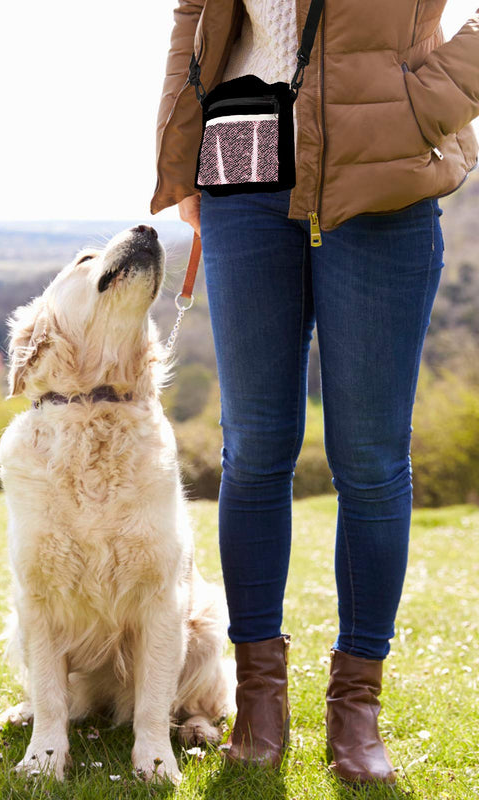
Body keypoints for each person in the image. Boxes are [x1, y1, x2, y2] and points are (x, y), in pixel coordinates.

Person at [153, 0, 478, 786]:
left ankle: (355, 706)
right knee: (255, 447)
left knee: (368, 458)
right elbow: (195, 14)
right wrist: (179, 152)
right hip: (242, 159)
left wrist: (424, 98)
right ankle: (260, 701)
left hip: (380, 171)